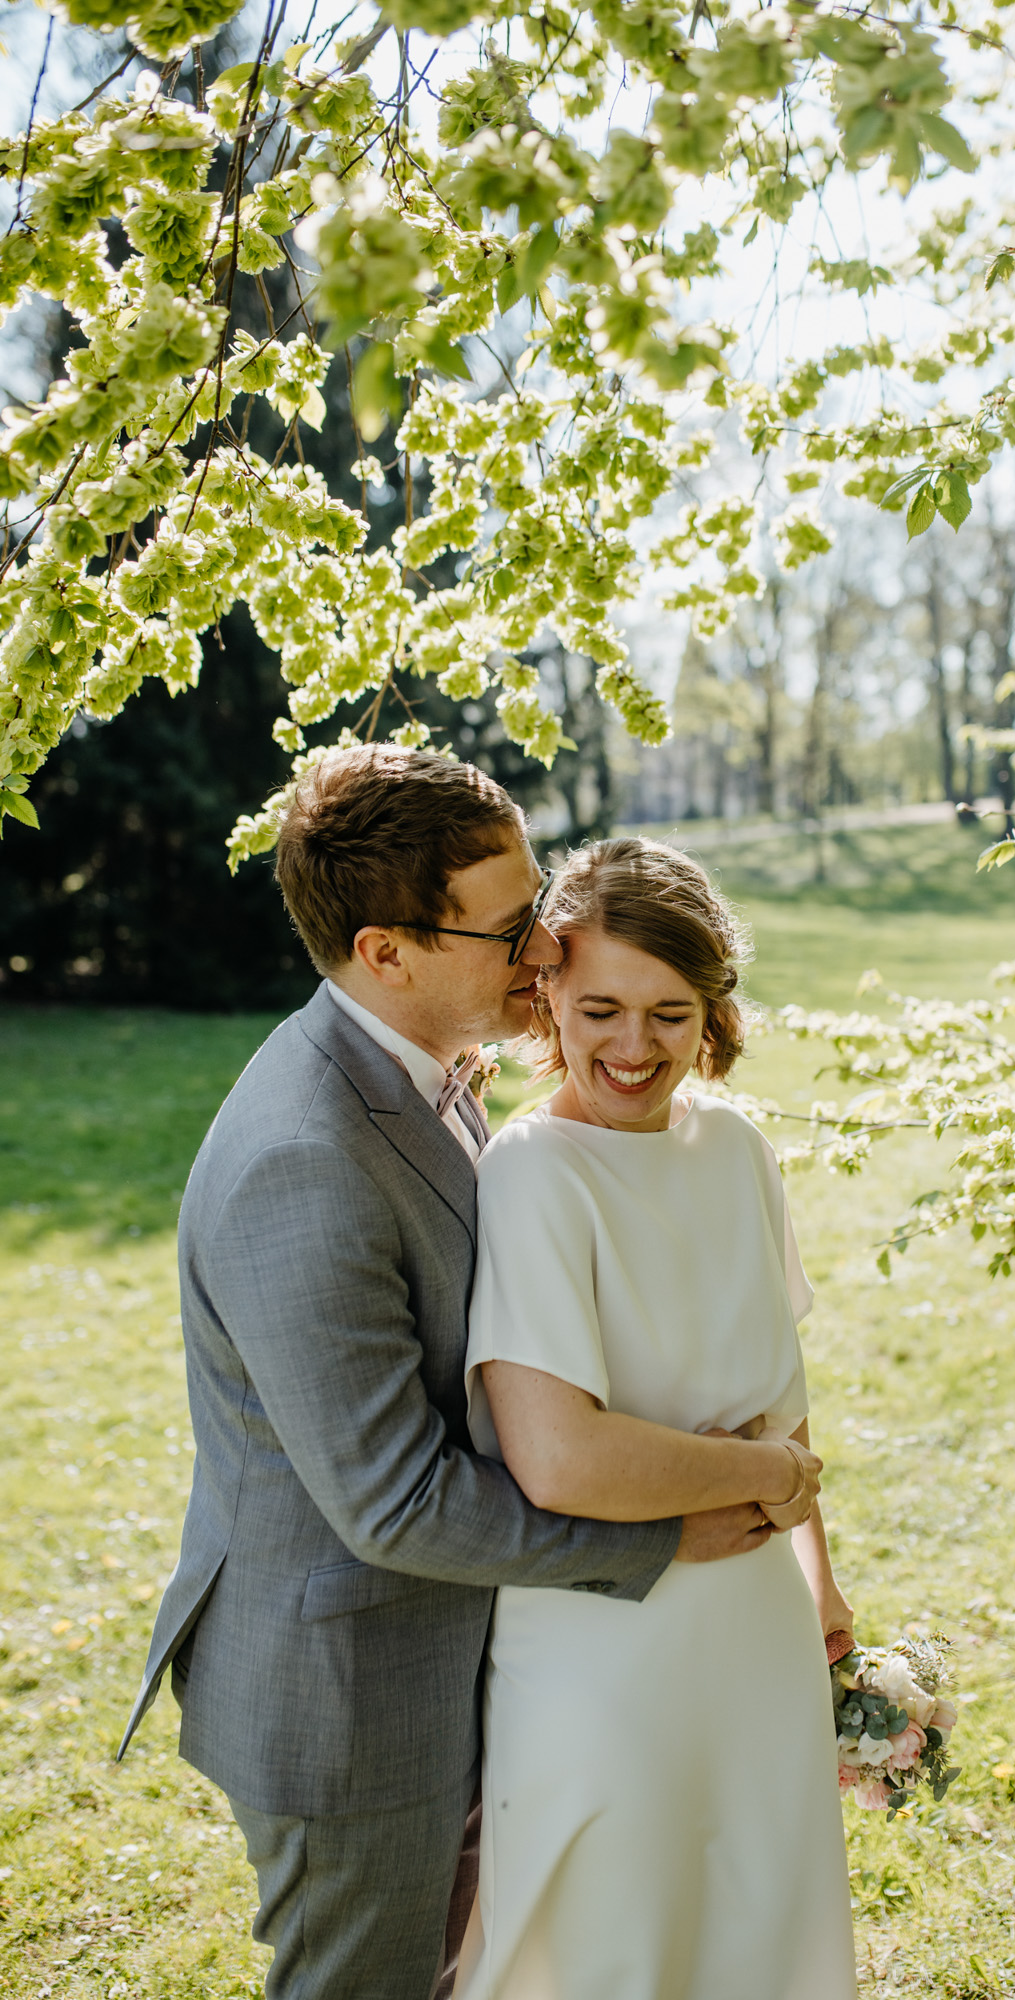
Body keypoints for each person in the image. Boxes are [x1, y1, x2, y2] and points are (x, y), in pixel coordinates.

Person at [116, 748, 817, 2000]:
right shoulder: (303, 1157)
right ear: (388, 950)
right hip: (350, 1691)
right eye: (511, 930)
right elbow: (390, 1501)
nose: (546, 954)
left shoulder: (429, 1074)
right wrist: (663, 1533)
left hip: (472, 1653)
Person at [457, 837, 858, 2000]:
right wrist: (762, 1470)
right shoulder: (534, 1173)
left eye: (667, 1013)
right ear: (545, 997)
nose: (633, 1046)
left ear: (708, 1012)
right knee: (610, 1939)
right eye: (599, 1008)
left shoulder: (735, 1147)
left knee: (754, 1925)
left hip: (755, 1627)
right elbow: (561, 1458)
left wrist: (817, 1579)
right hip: (600, 1645)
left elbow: (786, 1410)